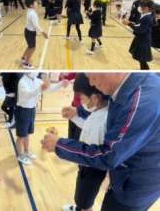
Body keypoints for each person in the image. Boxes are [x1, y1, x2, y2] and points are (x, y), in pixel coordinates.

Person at [42, 73, 160, 211]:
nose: (92, 83)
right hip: (124, 174)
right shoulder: (123, 88)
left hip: (135, 185)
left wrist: (59, 145)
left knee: (92, 199)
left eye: (93, 76)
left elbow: (108, 156)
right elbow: (104, 108)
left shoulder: (141, 103)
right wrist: (78, 113)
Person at [61, 75, 109, 211]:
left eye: (82, 98)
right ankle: (80, 207)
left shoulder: (101, 120)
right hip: (88, 166)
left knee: (85, 201)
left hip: (91, 168)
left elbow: (89, 152)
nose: (81, 102)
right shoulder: (100, 111)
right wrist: (74, 118)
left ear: (95, 98)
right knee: (82, 198)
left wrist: (60, 145)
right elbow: (88, 126)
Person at [15, 73, 68, 165]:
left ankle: (26, 151)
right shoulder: (22, 81)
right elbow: (27, 95)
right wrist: (40, 88)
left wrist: (60, 84)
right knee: (21, 135)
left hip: (32, 109)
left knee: (27, 133)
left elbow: (49, 89)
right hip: (23, 110)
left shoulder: (37, 80)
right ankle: (20, 155)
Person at [124, 0, 155, 69]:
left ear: (146, 8)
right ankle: (143, 70)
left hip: (143, 41)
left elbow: (141, 30)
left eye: (141, 6)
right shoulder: (146, 16)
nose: (140, 8)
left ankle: (145, 71)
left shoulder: (147, 18)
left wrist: (129, 24)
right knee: (141, 60)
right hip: (142, 40)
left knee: (142, 60)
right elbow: (140, 25)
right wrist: (132, 23)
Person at [22, 0, 48, 70]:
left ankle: (23, 58)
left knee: (30, 46)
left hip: (28, 31)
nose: (37, 3)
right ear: (31, 5)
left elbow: (33, 24)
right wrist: (43, 32)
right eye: (35, 2)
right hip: (30, 32)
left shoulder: (30, 11)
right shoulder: (32, 14)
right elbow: (36, 25)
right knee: (32, 48)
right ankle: (26, 63)